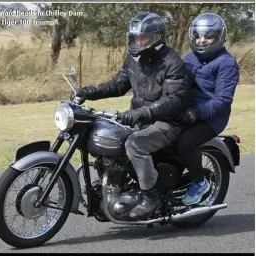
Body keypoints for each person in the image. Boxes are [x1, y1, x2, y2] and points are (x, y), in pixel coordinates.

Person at [71, 12, 192, 219]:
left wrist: (141, 113)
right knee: (104, 133)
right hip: (140, 117)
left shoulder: (173, 63)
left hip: (167, 122)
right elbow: (118, 85)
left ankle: (150, 196)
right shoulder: (134, 59)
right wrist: (87, 92)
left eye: (143, 38)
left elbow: (173, 101)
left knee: (135, 145)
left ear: (156, 37)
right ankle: (114, 182)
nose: (138, 42)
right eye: (135, 37)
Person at [176, 13, 240, 205]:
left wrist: (197, 112)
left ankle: (199, 182)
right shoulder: (191, 57)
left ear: (219, 37)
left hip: (211, 118)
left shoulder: (226, 64)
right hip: (187, 111)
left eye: (208, 36)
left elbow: (223, 99)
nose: (202, 40)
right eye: (198, 35)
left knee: (185, 142)